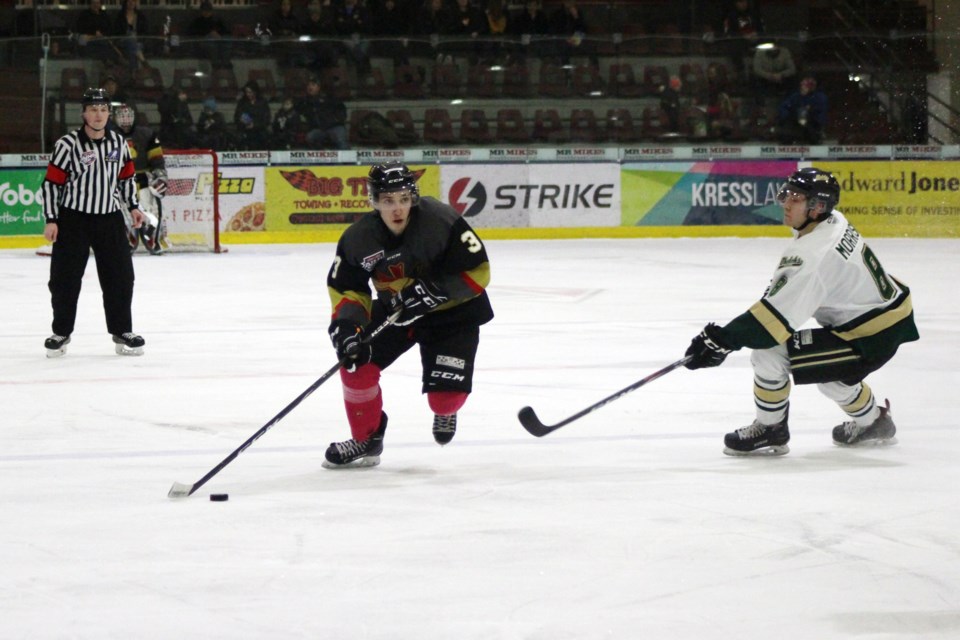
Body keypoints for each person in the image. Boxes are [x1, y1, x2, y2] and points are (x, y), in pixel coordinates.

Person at [683, 168, 918, 456]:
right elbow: (785, 299)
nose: (785, 203)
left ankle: (771, 429)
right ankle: (874, 422)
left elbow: (771, 325)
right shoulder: (832, 221)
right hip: (881, 318)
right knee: (834, 381)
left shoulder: (814, 255)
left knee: (770, 352)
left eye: (795, 198)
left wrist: (719, 341)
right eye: (787, 195)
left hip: (871, 335)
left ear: (817, 206)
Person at [323, 162, 494, 468]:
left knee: (444, 400)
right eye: (388, 200)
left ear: (413, 197)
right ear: (374, 201)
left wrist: (434, 291)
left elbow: (479, 271)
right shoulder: (358, 238)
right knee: (354, 363)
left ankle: (446, 409)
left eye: (403, 198)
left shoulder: (441, 220)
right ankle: (367, 438)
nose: (397, 208)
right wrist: (347, 325)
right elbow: (348, 288)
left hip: (453, 314)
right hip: (397, 312)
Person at [41, 88, 147, 358]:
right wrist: (51, 219)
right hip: (73, 219)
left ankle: (122, 330)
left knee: (121, 277)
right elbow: (53, 185)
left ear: (108, 113)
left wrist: (133, 206)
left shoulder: (119, 142)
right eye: (93, 109)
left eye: (103, 110)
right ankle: (61, 332)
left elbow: (125, 179)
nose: (98, 115)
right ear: (84, 114)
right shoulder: (67, 144)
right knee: (64, 279)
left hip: (109, 219)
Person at [113, 102, 167, 254]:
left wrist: (160, 176)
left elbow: (157, 158)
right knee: (121, 213)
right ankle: (126, 241)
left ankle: (154, 239)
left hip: (143, 178)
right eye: (122, 117)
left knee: (151, 211)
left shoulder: (147, 134)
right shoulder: (108, 135)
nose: (125, 120)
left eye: (128, 116)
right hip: (120, 181)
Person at [297, 74, 348, 150]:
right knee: (310, 137)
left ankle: (347, 159)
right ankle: (322, 157)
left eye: (313, 85)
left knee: (340, 139)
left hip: (334, 126)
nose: (310, 87)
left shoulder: (329, 97)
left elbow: (341, 110)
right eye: (308, 85)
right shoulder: (305, 101)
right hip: (320, 129)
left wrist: (336, 120)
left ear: (318, 87)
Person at [778, 75, 828, 144]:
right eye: (802, 85)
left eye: (805, 86)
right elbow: (784, 106)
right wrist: (787, 116)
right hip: (795, 121)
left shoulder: (819, 97)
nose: (802, 88)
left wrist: (809, 114)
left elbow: (820, 113)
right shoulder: (795, 96)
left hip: (812, 122)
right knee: (787, 132)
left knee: (812, 133)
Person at [187, 0, 231, 68]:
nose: (206, 13)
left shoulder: (217, 20)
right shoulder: (197, 22)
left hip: (218, 41)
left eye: (208, 11)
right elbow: (192, 33)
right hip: (203, 42)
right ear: (201, 11)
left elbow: (226, 32)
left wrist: (218, 34)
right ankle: (215, 64)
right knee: (212, 46)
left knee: (227, 43)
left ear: (211, 11)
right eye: (204, 10)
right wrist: (209, 34)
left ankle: (226, 63)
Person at [233, 79, 271, 150]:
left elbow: (266, 119)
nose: (248, 94)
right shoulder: (242, 102)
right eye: (247, 92)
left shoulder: (262, 102)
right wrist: (245, 123)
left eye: (250, 92)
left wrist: (255, 125)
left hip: (259, 130)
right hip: (245, 129)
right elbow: (237, 116)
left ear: (255, 92)